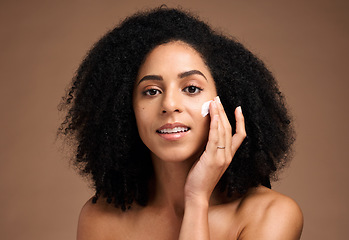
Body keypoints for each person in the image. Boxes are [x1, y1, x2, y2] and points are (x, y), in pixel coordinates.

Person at [59, 6, 303, 240]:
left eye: (192, 88)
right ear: (124, 109)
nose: (169, 104)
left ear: (225, 101)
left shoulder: (271, 215)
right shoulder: (100, 218)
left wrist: (196, 199)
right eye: (151, 91)